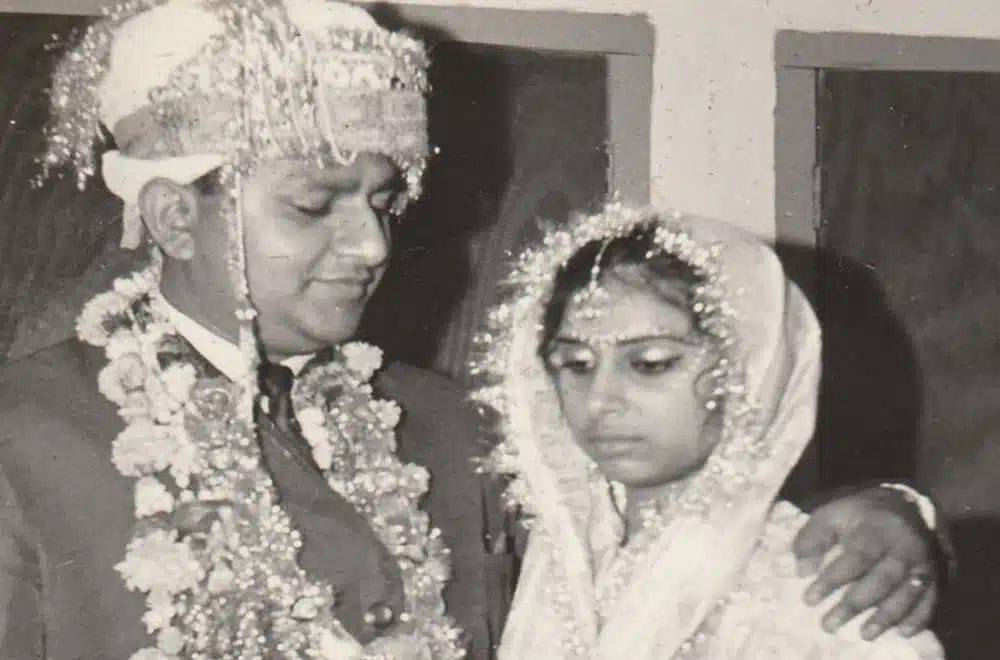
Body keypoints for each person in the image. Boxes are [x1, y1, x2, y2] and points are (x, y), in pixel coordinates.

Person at [0, 1, 943, 658]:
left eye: (380, 200)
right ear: (172, 218)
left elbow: (665, 536)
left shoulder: (457, 424)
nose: (371, 242)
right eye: (314, 205)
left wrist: (886, 515)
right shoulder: (25, 434)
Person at [473, 203, 946, 659]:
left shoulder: (815, 580)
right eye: (575, 365)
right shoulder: (559, 555)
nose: (601, 400)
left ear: (746, 369)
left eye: (650, 364)